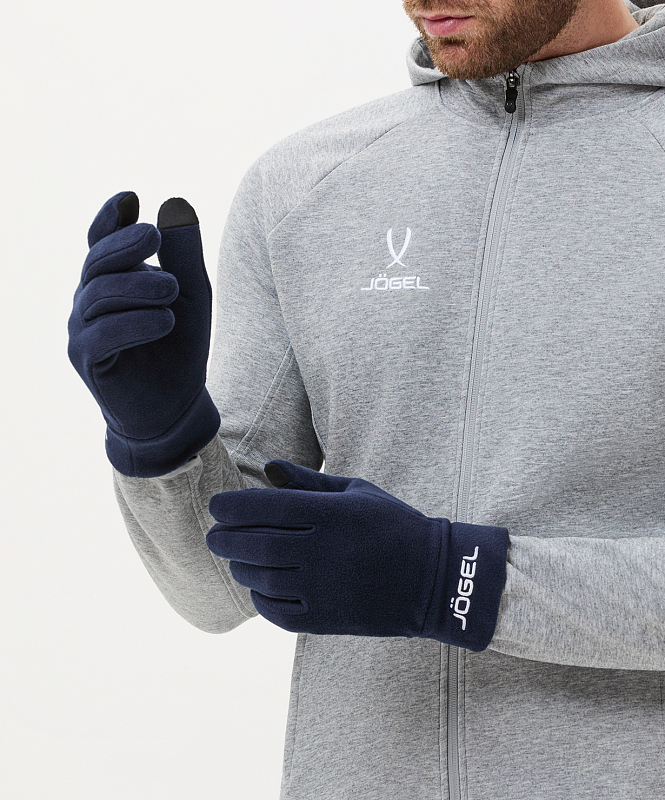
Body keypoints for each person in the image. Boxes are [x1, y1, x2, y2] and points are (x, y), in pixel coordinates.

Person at [68, 0, 665, 797]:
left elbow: (433, 578)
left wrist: (455, 580)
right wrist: (161, 438)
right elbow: (216, 592)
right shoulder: (305, 182)